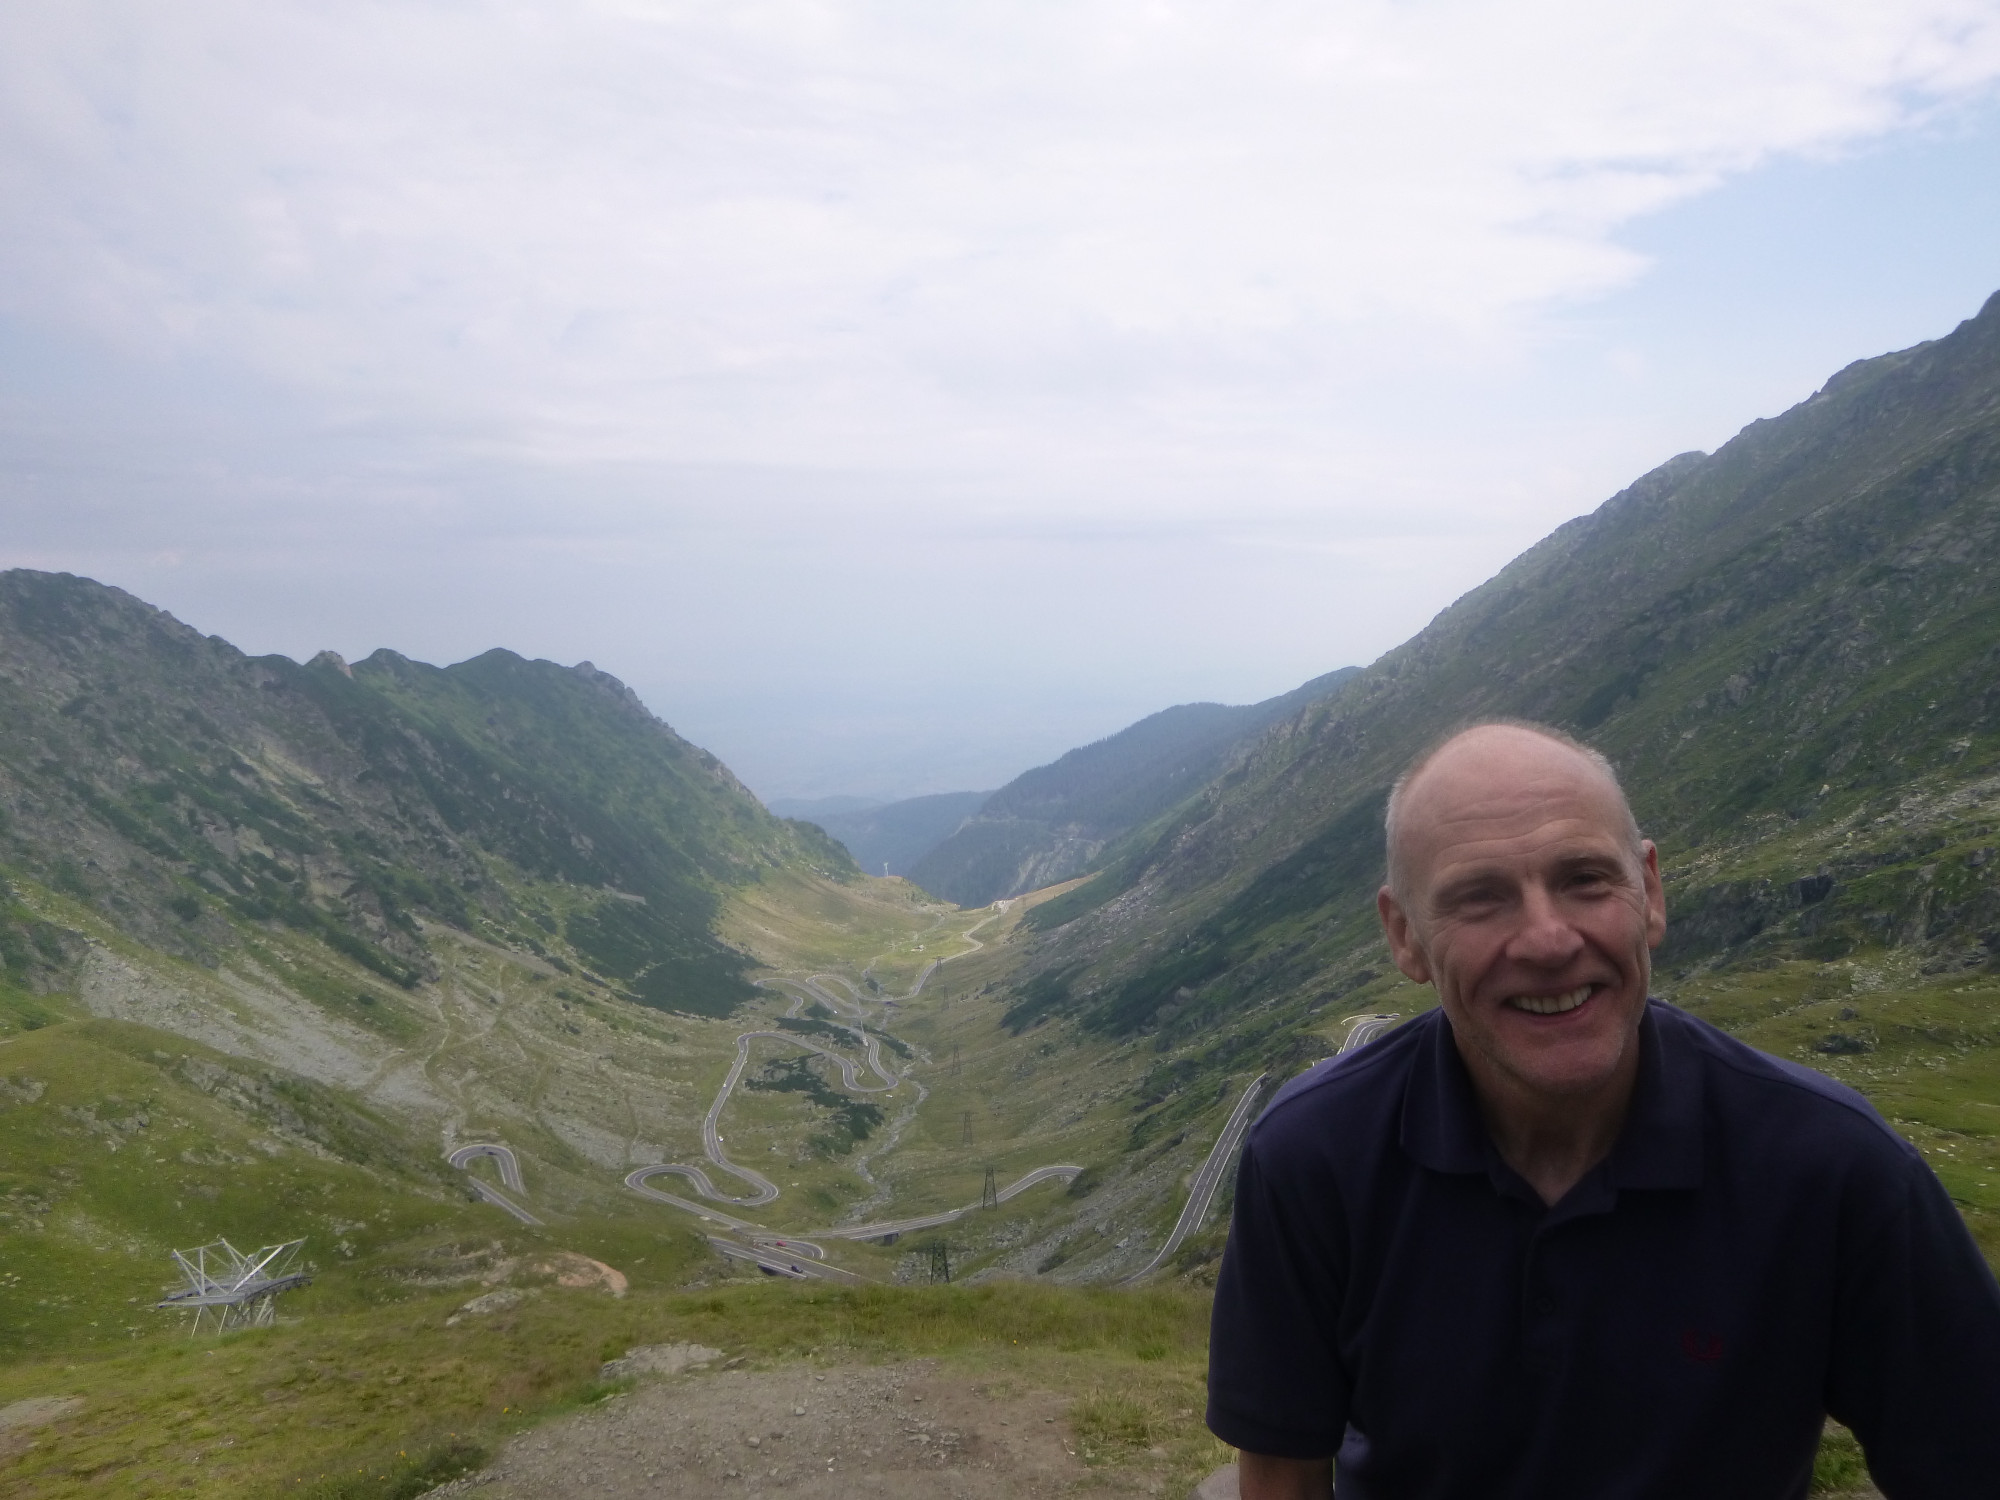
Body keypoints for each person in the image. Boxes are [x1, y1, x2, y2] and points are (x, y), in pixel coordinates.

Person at [1205, 721, 2000, 1499]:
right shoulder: (1312, 1155)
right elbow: (1281, 1467)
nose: (1548, 940)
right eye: (1480, 899)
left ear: (1649, 892)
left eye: (1585, 879)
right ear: (1404, 936)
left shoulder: (1835, 1165)